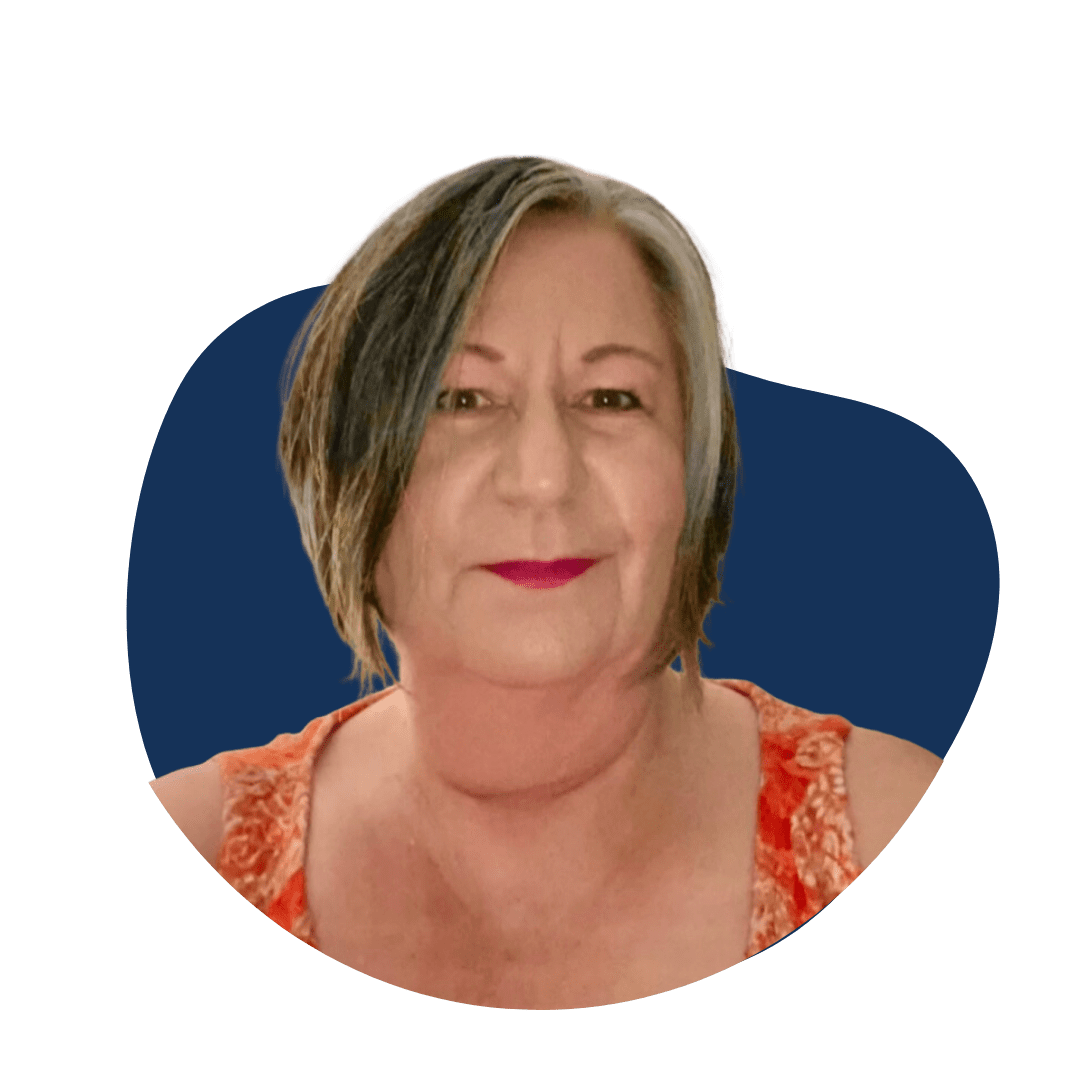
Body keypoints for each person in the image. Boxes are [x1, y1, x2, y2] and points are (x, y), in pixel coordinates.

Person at [150, 155, 941, 1009]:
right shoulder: (190, 854)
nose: (542, 477)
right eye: (462, 399)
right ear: (345, 473)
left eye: (610, 398)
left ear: (696, 477)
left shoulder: (892, 836)